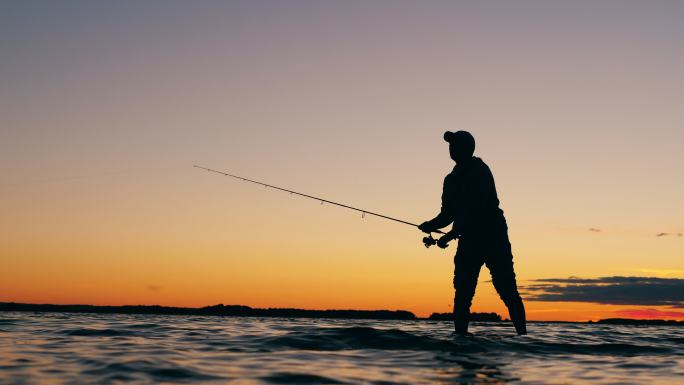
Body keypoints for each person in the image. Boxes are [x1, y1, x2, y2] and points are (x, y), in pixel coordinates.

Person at [419, 131, 527, 335]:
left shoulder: (480, 170)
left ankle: (523, 336)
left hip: (493, 237)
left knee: (507, 290)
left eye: (455, 144)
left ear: (467, 148)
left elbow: (474, 209)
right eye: (450, 145)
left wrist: (450, 235)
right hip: (468, 239)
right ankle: (460, 339)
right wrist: (430, 224)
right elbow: (447, 213)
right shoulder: (450, 180)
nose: (451, 148)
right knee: (462, 293)